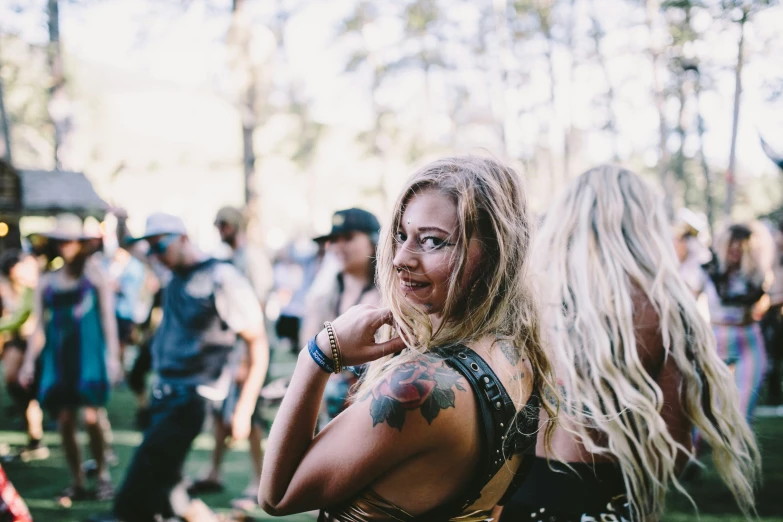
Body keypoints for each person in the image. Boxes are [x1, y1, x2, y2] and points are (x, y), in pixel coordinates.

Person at [259, 156, 555, 520]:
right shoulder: (519, 351)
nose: (400, 258)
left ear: (494, 254)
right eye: (401, 235)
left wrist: (320, 352)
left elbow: (277, 495)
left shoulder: (418, 388)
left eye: (432, 241)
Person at [500, 166, 760, 521]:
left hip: (525, 497)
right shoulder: (666, 309)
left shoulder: (529, 302)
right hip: (612, 500)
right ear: (645, 226)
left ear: (566, 220)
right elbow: (675, 448)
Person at [112, 212, 269, 522]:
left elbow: (258, 342)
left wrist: (245, 407)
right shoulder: (171, 269)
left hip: (196, 395)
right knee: (166, 486)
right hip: (165, 391)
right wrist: (119, 219)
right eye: (152, 249)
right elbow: (128, 247)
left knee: (136, 493)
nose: (155, 255)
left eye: (160, 247)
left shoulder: (222, 278)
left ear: (183, 238)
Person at [19, 214, 121, 502]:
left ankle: (102, 475)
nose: (65, 246)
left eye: (70, 241)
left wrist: (113, 357)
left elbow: (107, 318)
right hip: (59, 358)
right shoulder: (47, 282)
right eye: (60, 241)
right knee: (64, 420)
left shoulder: (94, 275)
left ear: (81, 243)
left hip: (88, 357)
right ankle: (77, 479)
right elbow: (38, 326)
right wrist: (29, 361)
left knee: (92, 417)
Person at [188, 206, 272, 506]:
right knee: (221, 413)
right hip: (232, 349)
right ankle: (214, 470)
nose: (219, 230)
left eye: (223, 224)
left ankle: (260, 480)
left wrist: (249, 359)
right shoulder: (230, 258)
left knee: (252, 414)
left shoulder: (251, 258)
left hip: (253, 348)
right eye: (217, 224)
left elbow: (257, 310)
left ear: (235, 225)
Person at [302, 208, 382, 423]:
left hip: (375, 409)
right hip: (330, 409)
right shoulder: (325, 293)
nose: (338, 246)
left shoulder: (390, 294)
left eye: (348, 238)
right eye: (334, 240)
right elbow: (309, 349)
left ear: (374, 241)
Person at [701, 223, 772, 423]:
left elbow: (762, 304)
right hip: (715, 340)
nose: (736, 249)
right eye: (732, 244)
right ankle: (692, 450)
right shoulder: (708, 271)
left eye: (742, 245)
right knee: (704, 405)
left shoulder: (755, 276)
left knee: (743, 410)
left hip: (748, 341)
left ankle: (737, 452)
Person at [0, 250, 47, 462]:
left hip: (43, 345)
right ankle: (34, 438)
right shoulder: (24, 289)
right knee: (19, 387)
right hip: (23, 341)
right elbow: (19, 318)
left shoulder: (41, 285)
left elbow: (33, 322)